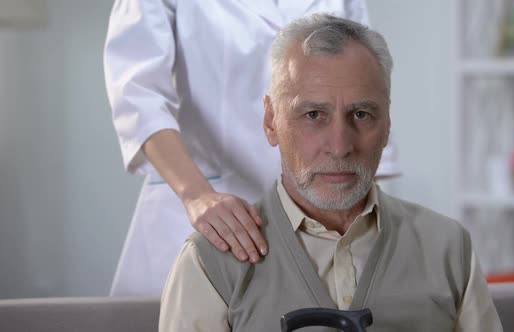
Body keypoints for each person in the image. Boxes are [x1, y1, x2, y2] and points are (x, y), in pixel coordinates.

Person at [159, 14, 503, 332]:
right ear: (270, 122)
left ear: (387, 125)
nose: (339, 146)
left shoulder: (447, 248)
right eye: (313, 115)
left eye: (362, 114)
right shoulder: (211, 262)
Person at [103, 0, 401, 296]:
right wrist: (197, 195)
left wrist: (359, 231)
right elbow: (139, 97)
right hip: (200, 205)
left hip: (318, 214)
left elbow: (366, 84)